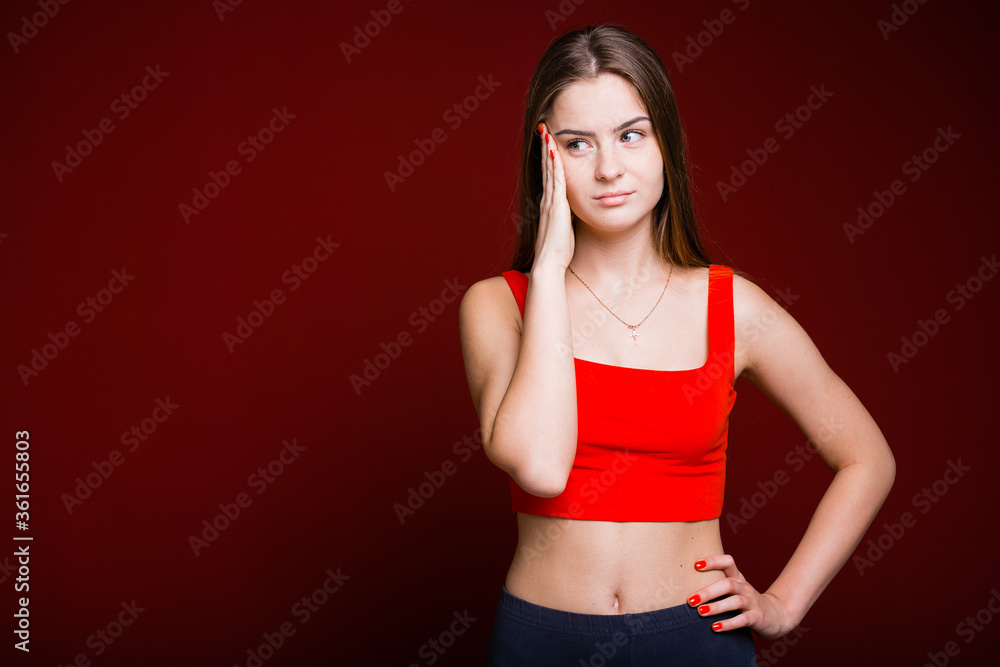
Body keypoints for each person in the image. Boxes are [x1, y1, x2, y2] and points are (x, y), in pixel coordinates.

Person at [458, 24, 894, 666]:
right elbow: (543, 467)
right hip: (542, 642)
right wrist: (549, 272)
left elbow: (867, 458)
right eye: (577, 144)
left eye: (632, 134)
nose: (609, 168)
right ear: (544, 156)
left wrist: (784, 601)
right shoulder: (500, 306)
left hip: (694, 641)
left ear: (667, 143)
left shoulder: (734, 307)